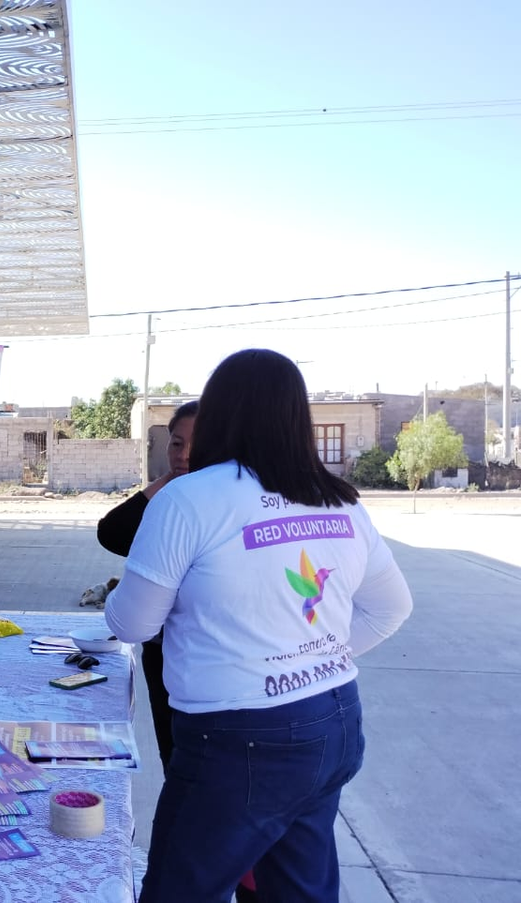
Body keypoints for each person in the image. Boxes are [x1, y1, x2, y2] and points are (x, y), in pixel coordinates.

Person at [105, 350, 413, 903]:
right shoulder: (338, 501)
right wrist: (306, 660)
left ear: (219, 413)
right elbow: (391, 609)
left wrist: (268, 668)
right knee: (297, 892)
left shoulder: (187, 498)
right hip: (335, 720)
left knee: (180, 891)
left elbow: (132, 623)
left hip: (238, 743)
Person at [97, 399, 197, 772]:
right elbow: (112, 533)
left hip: (200, 662)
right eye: (176, 443)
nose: (184, 454)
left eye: (196, 444)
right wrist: (169, 481)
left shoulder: (222, 508)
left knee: (195, 771)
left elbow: (128, 624)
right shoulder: (166, 503)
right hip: (160, 653)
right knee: (174, 759)